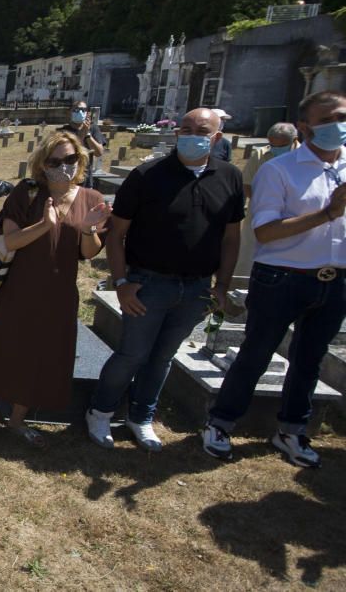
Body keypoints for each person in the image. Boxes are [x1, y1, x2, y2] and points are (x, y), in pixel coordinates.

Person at [86, 108, 244, 451]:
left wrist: (222, 285)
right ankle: (100, 411)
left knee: (163, 357)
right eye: (185, 128)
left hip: (197, 287)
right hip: (149, 283)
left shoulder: (229, 177)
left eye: (201, 129)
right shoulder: (148, 175)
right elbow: (116, 235)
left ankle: (141, 417)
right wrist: (122, 282)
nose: (191, 134)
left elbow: (232, 237)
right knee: (132, 353)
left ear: (216, 137)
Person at [202, 91, 346, 467]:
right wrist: (328, 213)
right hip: (283, 277)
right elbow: (265, 231)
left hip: (334, 279)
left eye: (343, 117)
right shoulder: (280, 170)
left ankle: (292, 430)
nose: (339, 125)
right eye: (329, 119)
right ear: (306, 127)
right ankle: (221, 422)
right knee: (256, 353)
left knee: (310, 359)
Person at [0, 133, 111, 447]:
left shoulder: (90, 199)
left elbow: (89, 252)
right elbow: (12, 240)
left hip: (58, 296)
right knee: (3, 355)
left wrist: (88, 230)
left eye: (70, 159)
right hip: (19, 291)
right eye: (55, 161)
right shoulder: (27, 193)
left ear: (80, 160)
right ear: (43, 164)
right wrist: (45, 224)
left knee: (39, 358)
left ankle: (17, 422)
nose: (63, 167)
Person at [234, 122, 299, 277]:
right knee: (248, 257)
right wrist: (267, 202)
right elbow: (247, 183)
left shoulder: (305, 157)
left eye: (281, 145)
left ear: (295, 140)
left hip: (292, 217)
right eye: (272, 145)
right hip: (260, 213)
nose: (275, 149)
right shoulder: (260, 154)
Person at [59, 100, 107, 188]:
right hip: (67, 179)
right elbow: (68, 154)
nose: (80, 112)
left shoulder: (93, 129)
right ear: (69, 112)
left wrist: (87, 135)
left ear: (87, 113)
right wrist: (81, 136)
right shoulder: (62, 132)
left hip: (86, 181)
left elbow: (99, 152)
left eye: (83, 110)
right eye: (76, 110)